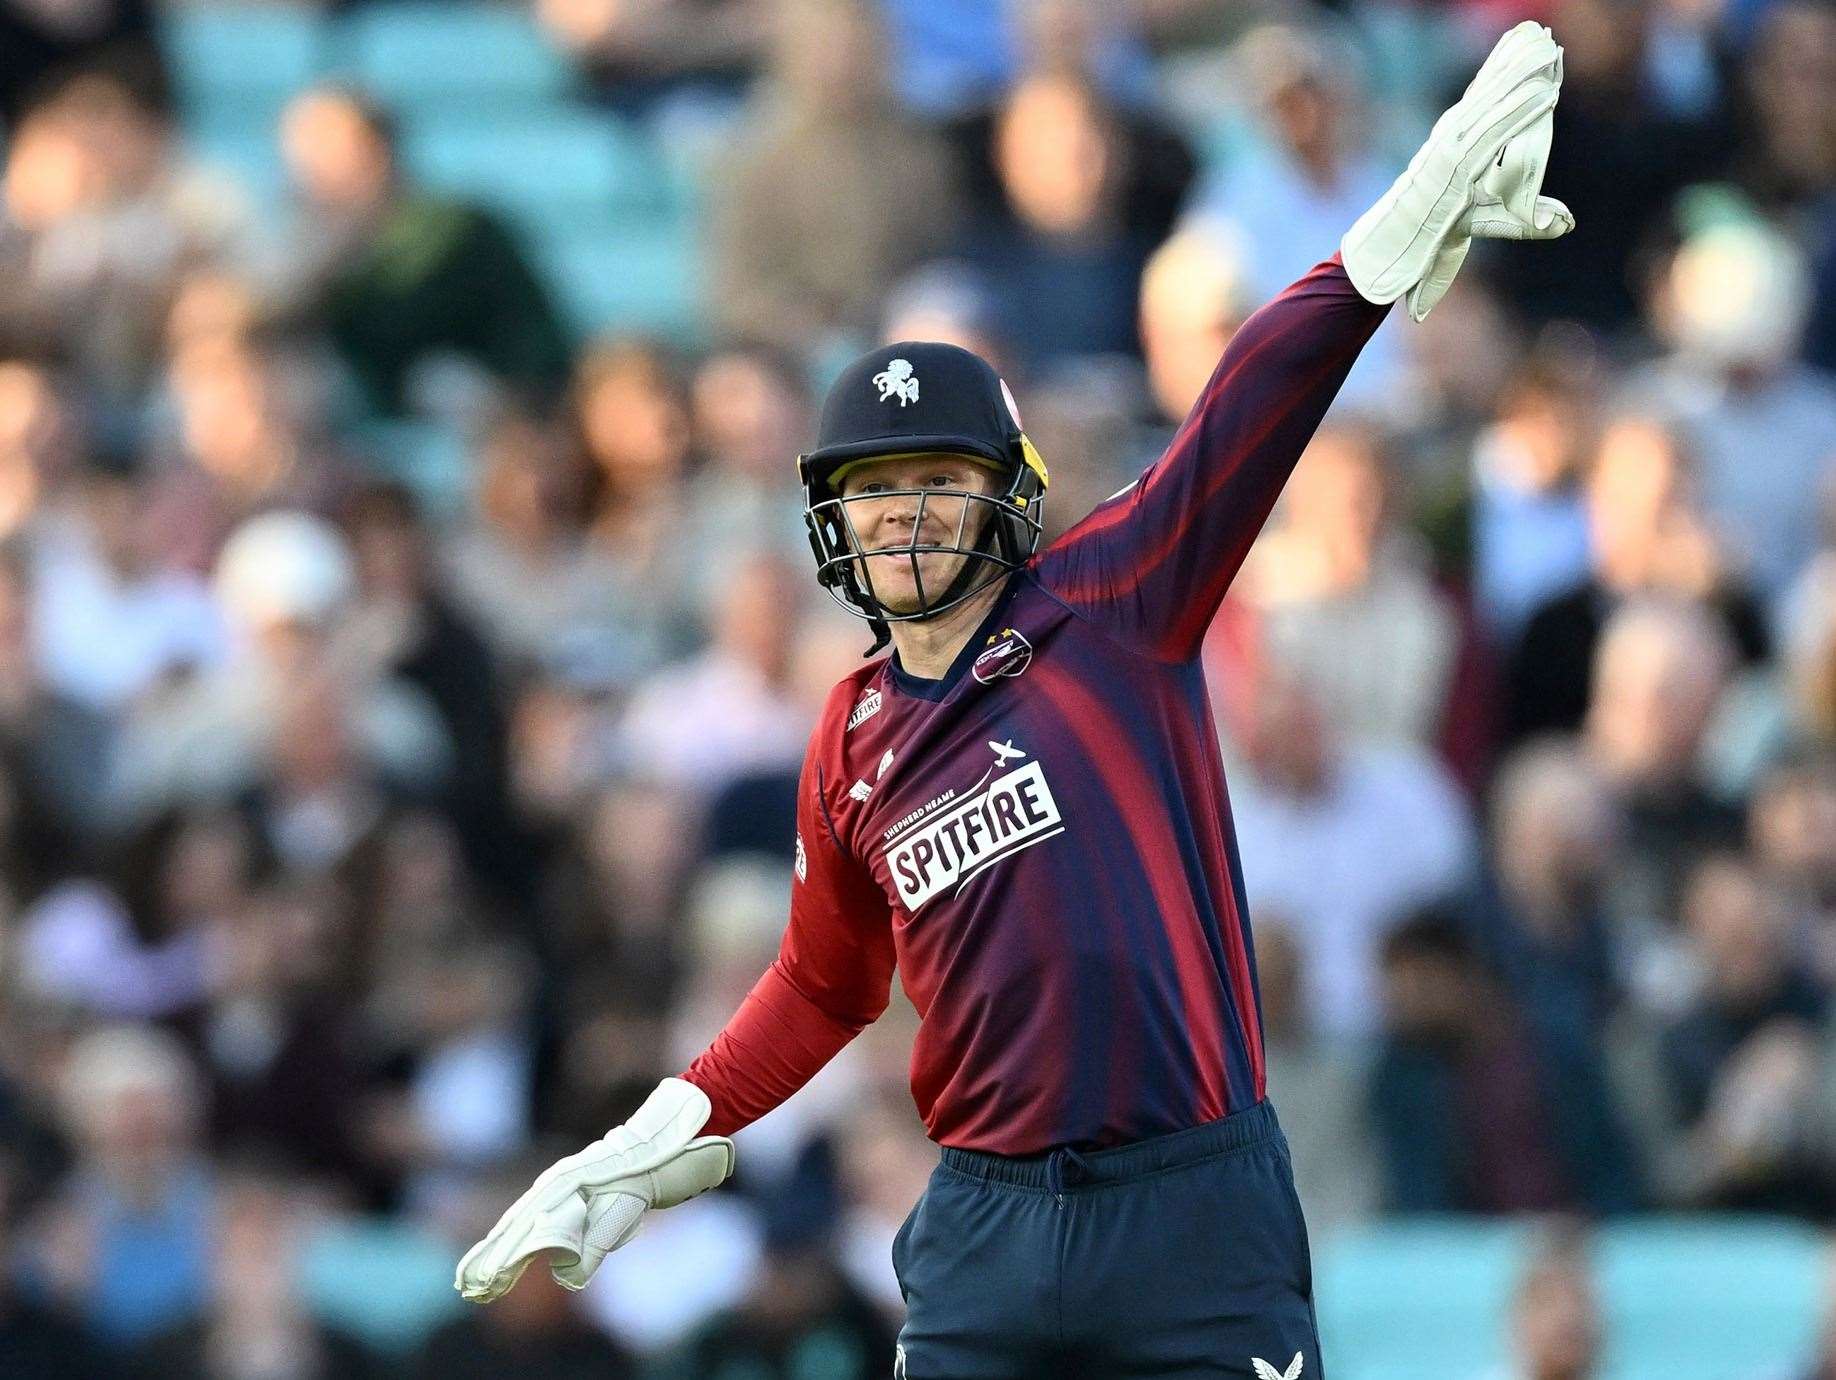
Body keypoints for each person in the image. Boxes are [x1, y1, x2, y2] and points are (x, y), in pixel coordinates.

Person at [458, 23, 1574, 1375]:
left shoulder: (1111, 600)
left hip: (1190, 1209)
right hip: (983, 1225)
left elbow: (1248, 406)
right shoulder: (851, 734)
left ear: (1011, 496)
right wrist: (665, 1132)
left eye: (938, 480)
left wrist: (1380, 251)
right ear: (831, 526)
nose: (906, 518)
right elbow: (824, 985)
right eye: (874, 492)